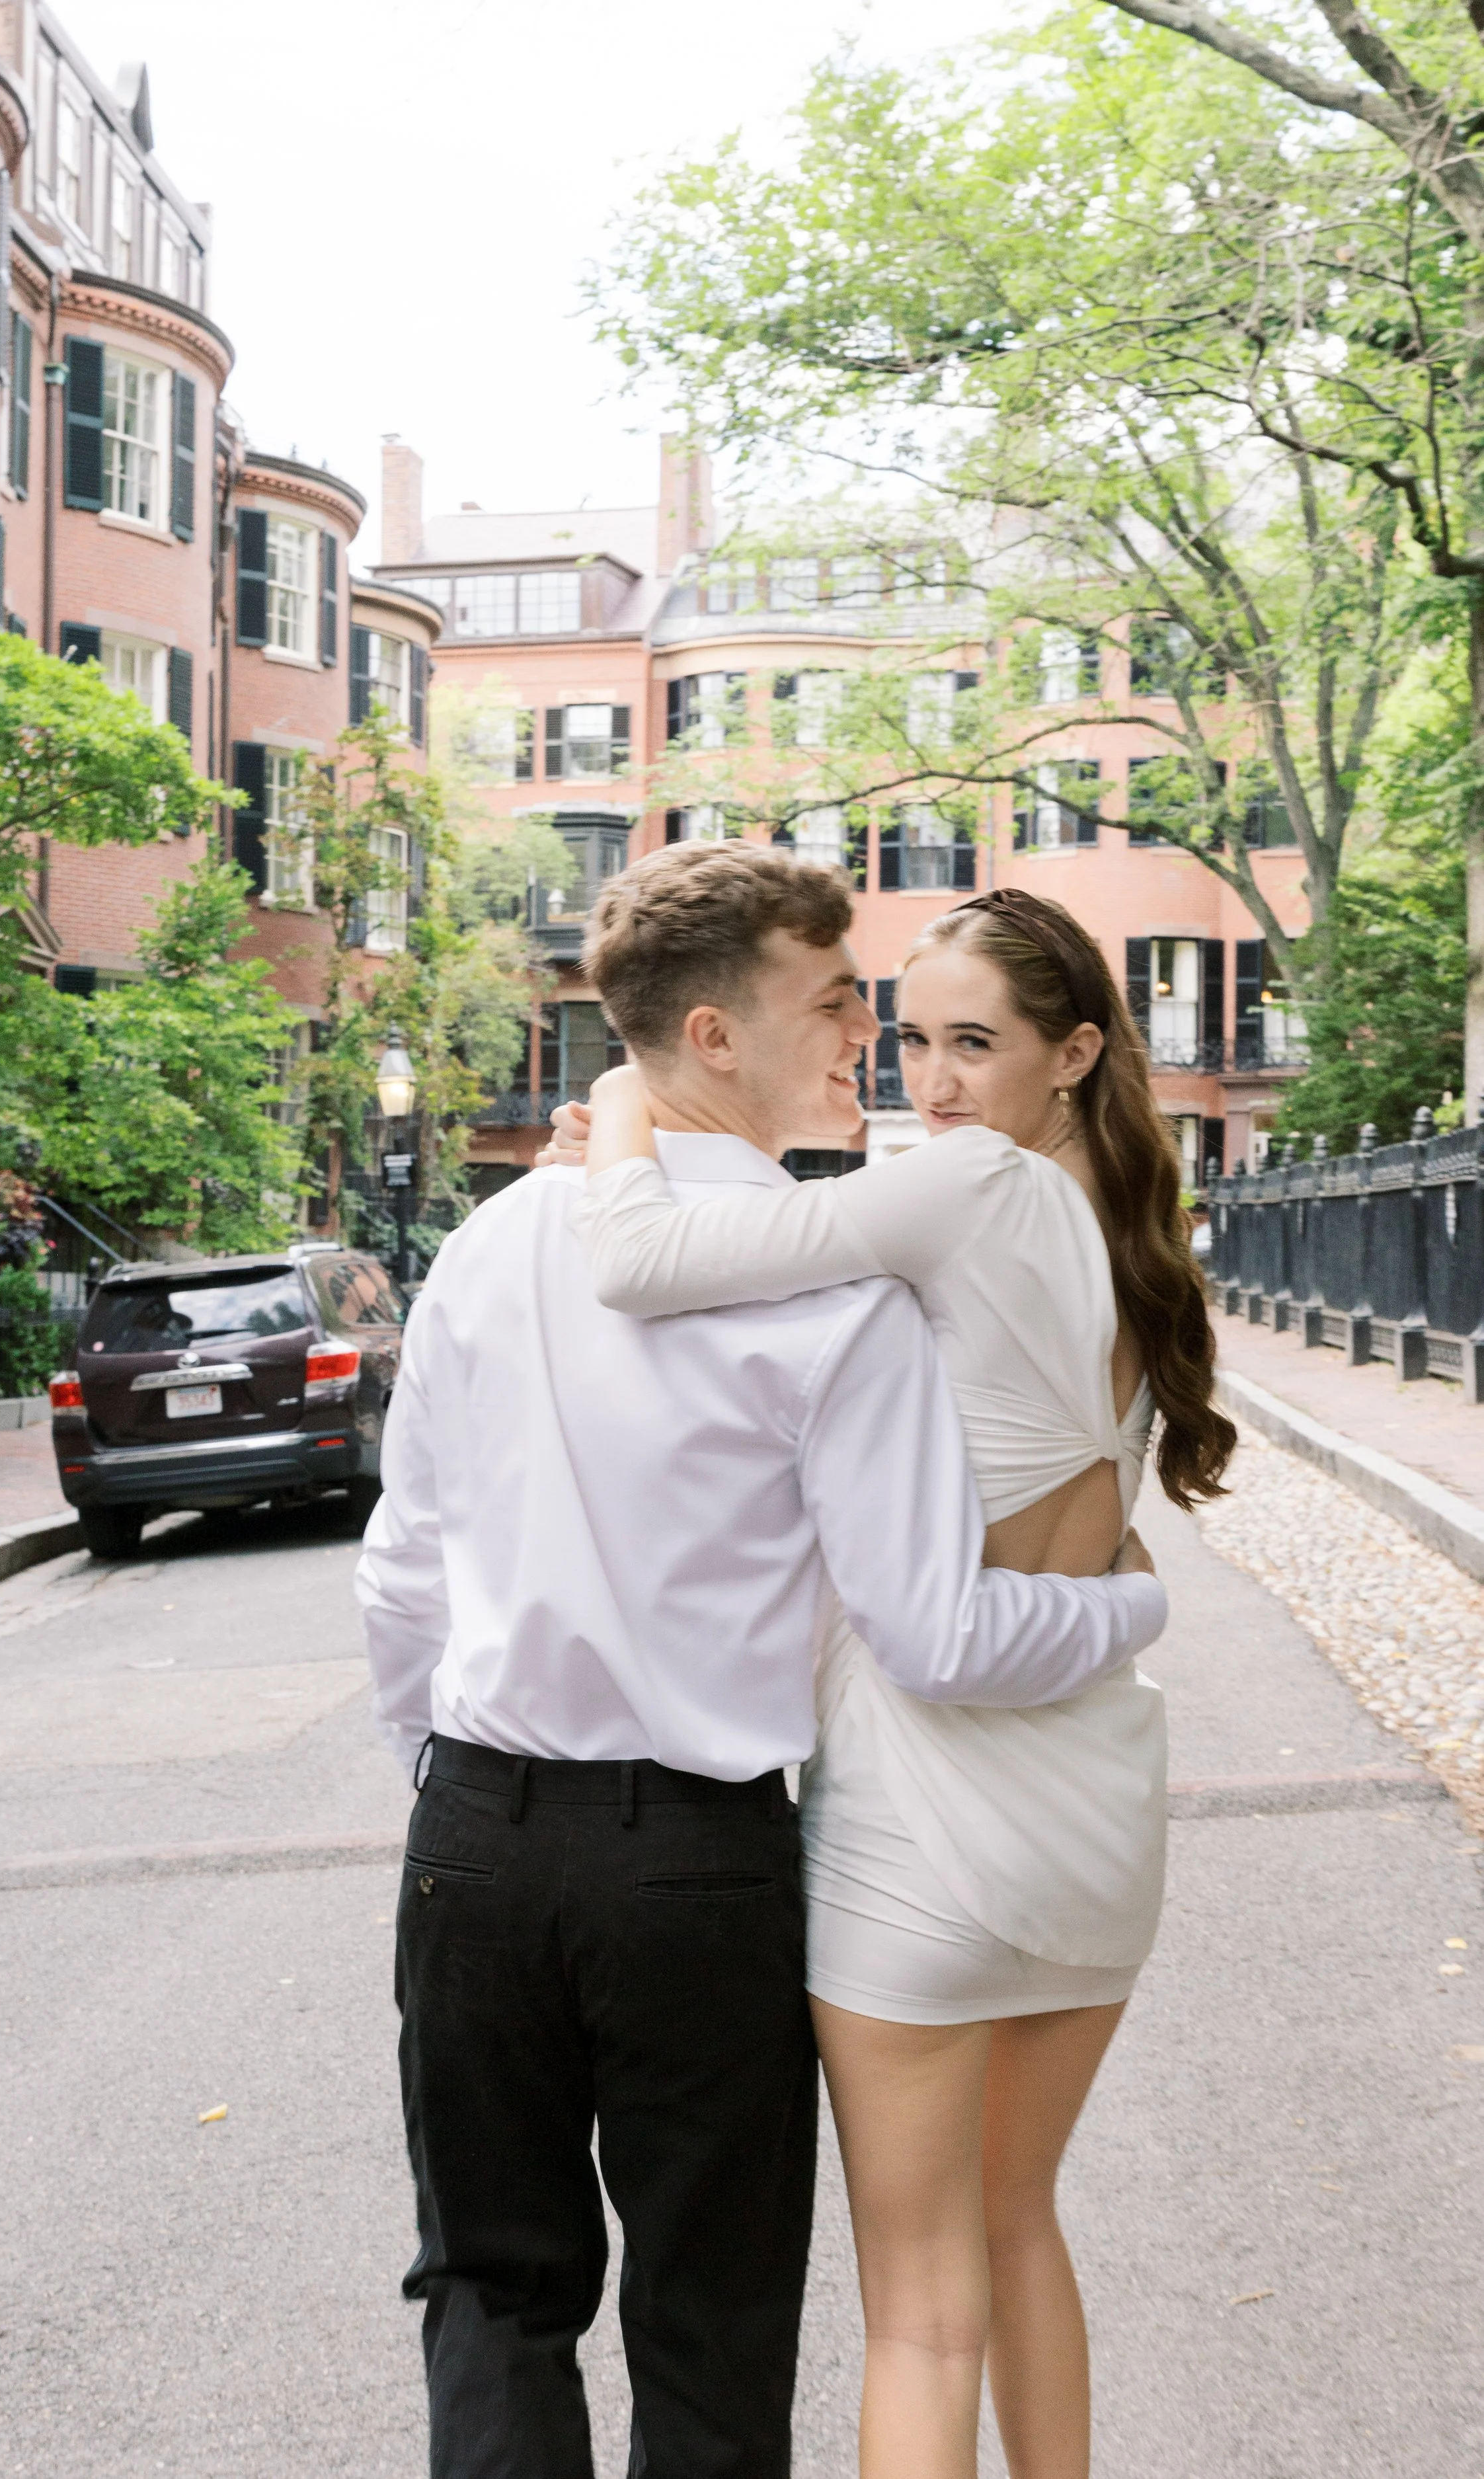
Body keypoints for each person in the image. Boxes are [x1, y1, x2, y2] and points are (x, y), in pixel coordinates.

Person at [356, 846, 1169, 2479]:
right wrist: (1129, 1611)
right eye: (835, 1001)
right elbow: (931, 1625)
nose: (865, 1038)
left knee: (489, 2294)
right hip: (696, 1865)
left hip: (476, 1841)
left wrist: (461, 1791)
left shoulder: (493, 1246)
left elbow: (403, 1570)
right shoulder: (841, 1292)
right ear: (717, 1035)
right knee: (711, 2326)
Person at [549, 884, 1234, 2479]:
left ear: (1071, 1052)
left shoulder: (965, 1191)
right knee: (1020, 2229)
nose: (928, 1082)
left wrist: (621, 1101)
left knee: (921, 2309)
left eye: (972, 1044)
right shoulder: (1137, 1231)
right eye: (910, 1036)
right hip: (1093, 1814)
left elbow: (642, 1263)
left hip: (923, 1813)